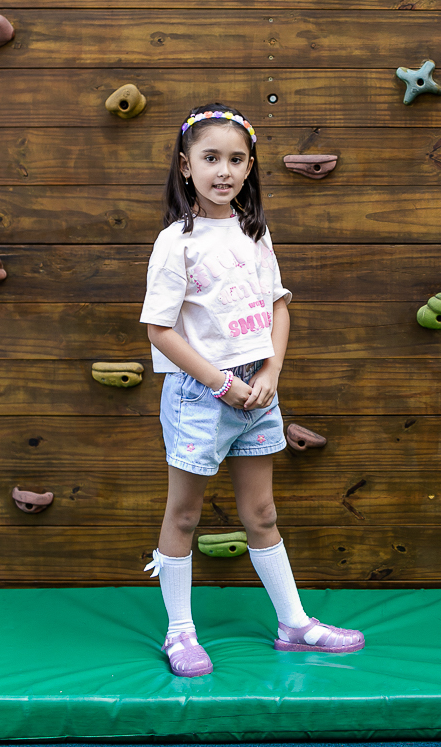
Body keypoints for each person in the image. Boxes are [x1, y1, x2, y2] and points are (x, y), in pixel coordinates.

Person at [140, 103, 364, 678]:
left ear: (249, 168)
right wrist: (219, 385)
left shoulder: (253, 231)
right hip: (201, 394)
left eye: (236, 159)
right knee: (184, 515)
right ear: (185, 166)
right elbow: (160, 330)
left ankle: (294, 624)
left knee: (260, 510)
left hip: (258, 391)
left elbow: (277, 308)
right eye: (211, 157)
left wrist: (270, 375)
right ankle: (180, 633)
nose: (224, 170)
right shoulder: (176, 242)